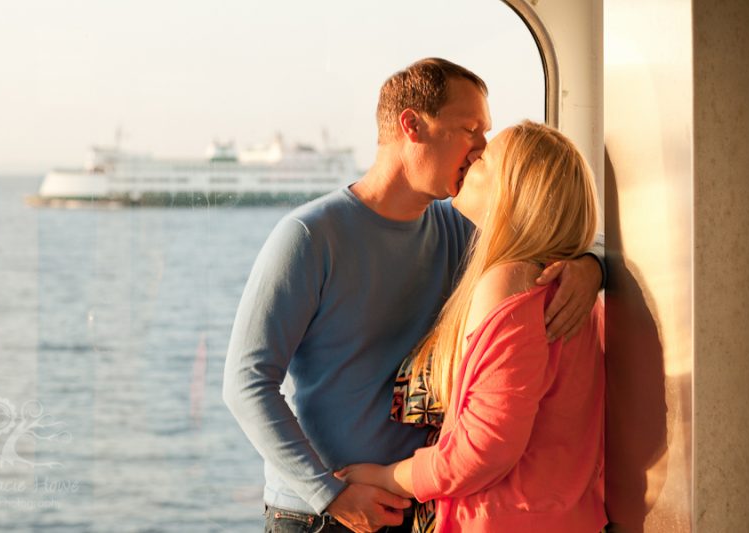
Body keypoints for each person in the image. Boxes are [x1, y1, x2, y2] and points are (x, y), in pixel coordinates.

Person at [222, 58, 604, 533]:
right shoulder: (309, 235)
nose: (481, 148)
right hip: (319, 513)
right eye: (471, 130)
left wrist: (592, 266)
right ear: (413, 125)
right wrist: (330, 494)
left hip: (416, 504)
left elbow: (541, 223)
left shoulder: (463, 231)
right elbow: (245, 382)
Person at [338, 121, 607, 533]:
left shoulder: (512, 281)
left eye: (483, 159)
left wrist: (385, 477)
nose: (469, 158)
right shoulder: (572, 291)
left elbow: (483, 450)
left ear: (510, 193)